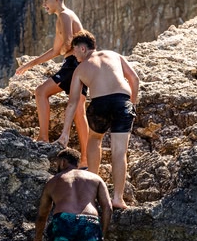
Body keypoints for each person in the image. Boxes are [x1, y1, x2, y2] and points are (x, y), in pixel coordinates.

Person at [56, 30, 140, 209]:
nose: (74, 56)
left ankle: (91, 189)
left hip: (100, 104)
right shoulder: (114, 55)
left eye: (75, 51)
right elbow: (134, 78)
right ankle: (117, 198)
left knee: (94, 140)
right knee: (119, 152)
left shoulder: (80, 69)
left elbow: (72, 103)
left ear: (83, 48)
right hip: (122, 102)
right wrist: (131, 104)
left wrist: (65, 133)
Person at [15, 0, 90, 166]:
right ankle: (85, 159)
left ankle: (43, 137)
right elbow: (56, 50)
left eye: (45, 0)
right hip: (80, 65)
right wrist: (30, 64)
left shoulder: (64, 15)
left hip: (73, 65)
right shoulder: (66, 16)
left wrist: (65, 49)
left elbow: (68, 42)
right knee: (79, 112)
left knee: (41, 92)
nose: (44, 5)